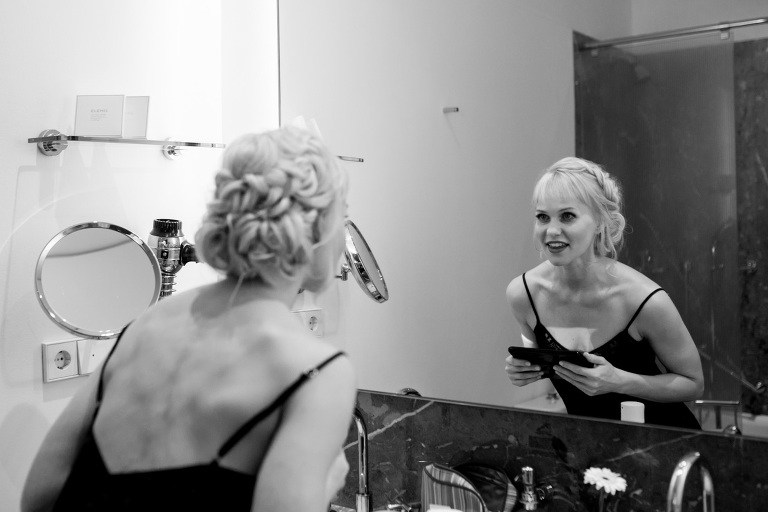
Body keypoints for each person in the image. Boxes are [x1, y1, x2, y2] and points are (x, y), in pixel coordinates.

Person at [21, 126, 357, 511]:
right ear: (313, 231)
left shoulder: (147, 324)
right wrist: (324, 484)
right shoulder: (316, 372)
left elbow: (39, 497)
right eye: (342, 217)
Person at [505, 157, 704, 429]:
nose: (551, 231)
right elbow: (538, 358)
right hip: (592, 449)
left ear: (600, 222)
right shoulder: (524, 295)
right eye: (542, 217)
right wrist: (524, 370)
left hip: (664, 444)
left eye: (567, 216)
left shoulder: (644, 300)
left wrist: (618, 381)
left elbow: (693, 385)